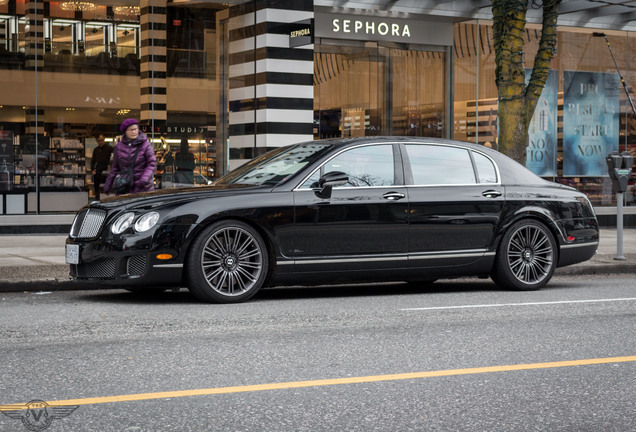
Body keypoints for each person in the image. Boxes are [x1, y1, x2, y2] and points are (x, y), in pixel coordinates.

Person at [104, 119, 157, 195]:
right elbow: (115, 168)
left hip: (143, 188)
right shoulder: (119, 147)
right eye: (130, 130)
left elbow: (152, 163)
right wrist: (108, 184)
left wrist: (144, 179)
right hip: (125, 187)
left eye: (135, 129)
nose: (133, 132)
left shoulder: (146, 145)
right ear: (125, 131)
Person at [90, 135, 112, 200]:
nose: (100, 142)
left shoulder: (109, 148)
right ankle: (97, 199)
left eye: (101, 140)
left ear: (104, 139)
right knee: (97, 187)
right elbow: (93, 161)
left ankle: (106, 199)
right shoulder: (96, 150)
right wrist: (92, 169)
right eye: (99, 141)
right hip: (98, 170)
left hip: (106, 170)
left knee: (106, 187)